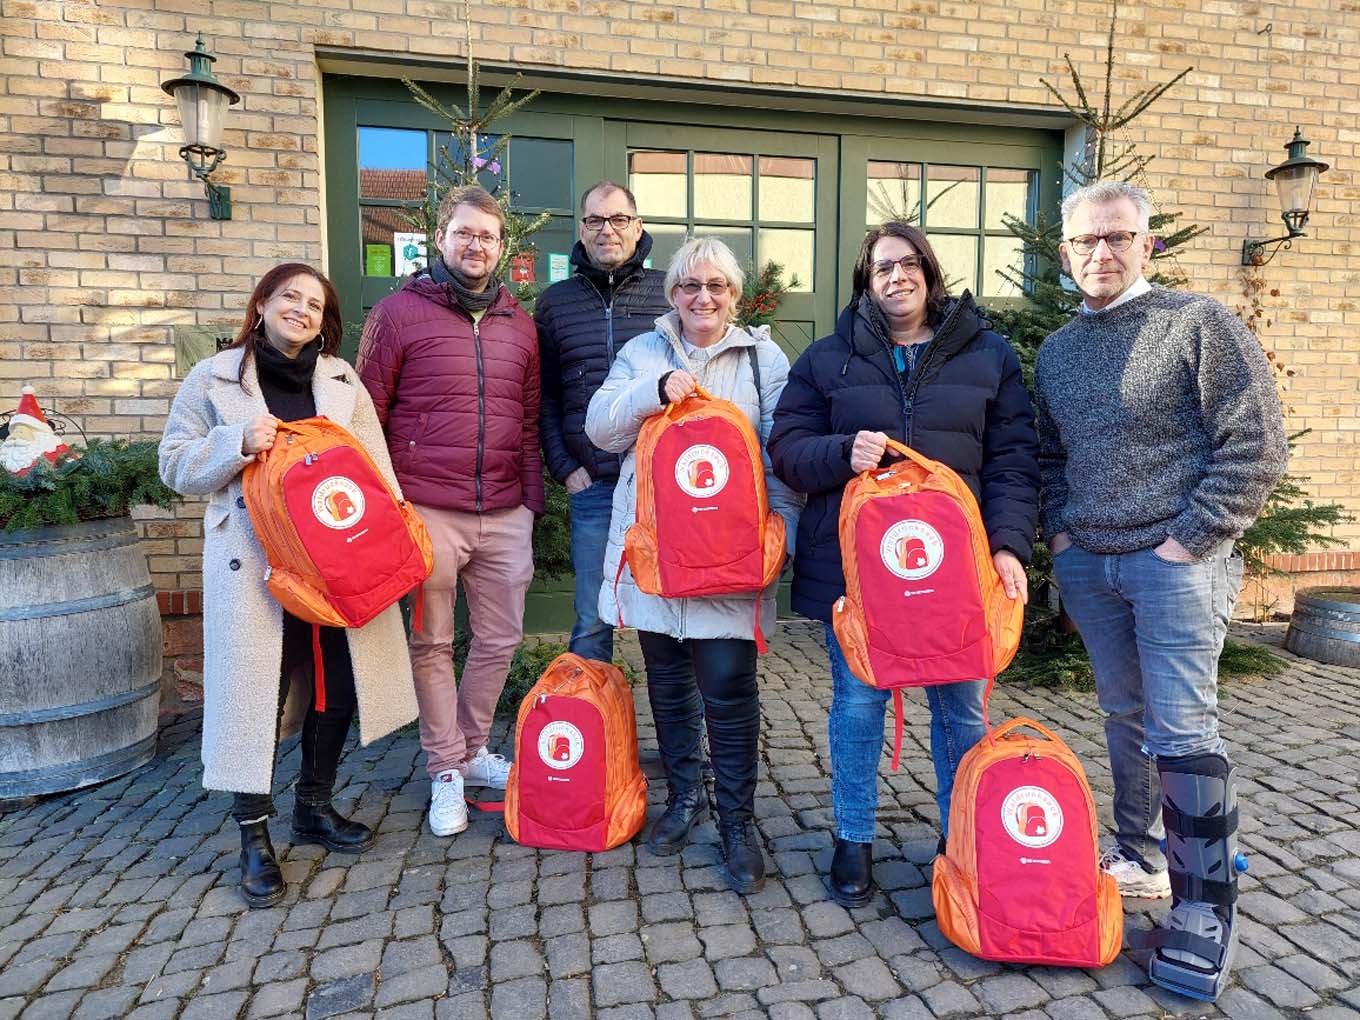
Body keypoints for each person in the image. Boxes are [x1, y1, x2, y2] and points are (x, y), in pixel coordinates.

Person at [1036, 180, 1287, 1000]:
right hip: (1092, 562)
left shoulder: (1197, 324)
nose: (1101, 253)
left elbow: (1254, 442)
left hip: (1176, 563)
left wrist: (1191, 538)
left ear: (1149, 244)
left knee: (1181, 727)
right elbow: (1048, 457)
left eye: (1118, 237)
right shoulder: (1057, 353)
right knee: (1122, 714)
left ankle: (1205, 907)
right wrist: (1063, 533)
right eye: (1085, 241)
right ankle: (1136, 855)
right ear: (1065, 252)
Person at [768, 222, 1039, 909]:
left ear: (929, 270)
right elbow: (788, 449)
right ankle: (853, 838)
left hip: (958, 575)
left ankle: (961, 838)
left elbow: (1012, 461)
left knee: (960, 713)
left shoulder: (989, 356)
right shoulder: (828, 360)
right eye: (882, 267)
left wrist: (1007, 545)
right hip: (856, 572)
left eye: (909, 263)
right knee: (858, 704)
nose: (897, 276)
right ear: (867, 281)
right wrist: (839, 453)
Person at [159, 263, 419, 909]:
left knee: (338, 683)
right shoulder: (214, 377)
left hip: (335, 560)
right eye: (289, 297)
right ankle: (253, 837)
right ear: (264, 304)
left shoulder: (340, 379)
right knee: (257, 697)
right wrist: (235, 441)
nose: (300, 309)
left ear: (323, 319)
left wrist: (394, 535)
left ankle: (314, 806)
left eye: (313, 303)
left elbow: (373, 469)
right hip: (255, 566)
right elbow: (173, 464)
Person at [586, 236, 800, 894]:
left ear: (736, 295)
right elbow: (599, 428)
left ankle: (736, 823)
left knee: (729, 692)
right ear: (672, 292)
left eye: (717, 287)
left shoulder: (764, 360)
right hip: (654, 560)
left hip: (729, 564)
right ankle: (685, 798)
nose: (702, 298)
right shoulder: (641, 352)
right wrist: (654, 391)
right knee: (669, 688)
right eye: (689, 286)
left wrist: (782, 533)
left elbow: (783, 458)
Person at [357, 185, 545, 839]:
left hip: (504, 510)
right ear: (440, 239)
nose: (476, 246)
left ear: (501, 246)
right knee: (433, 641)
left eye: (488, 236)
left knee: (497, 641)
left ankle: (469, 751)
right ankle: (445, 771)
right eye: (464, 233)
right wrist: (387, 506)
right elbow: (367, 416)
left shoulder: (520, 324)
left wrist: (529, 504)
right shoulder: (396, 314)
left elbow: (527, 421)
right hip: (426, 507)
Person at [536, 181, 668, 663]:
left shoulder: (668, 294)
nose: (606, 230)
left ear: (637, 227)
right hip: (590, 484)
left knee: (668, 611)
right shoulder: (556, 304)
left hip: (658, 485)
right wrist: (563, 466)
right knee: (592, 616)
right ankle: (590, 730)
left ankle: (678, 736)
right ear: (582, 229)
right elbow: (545, 394)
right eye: (595, 220)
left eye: (617, 219)